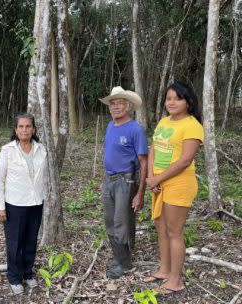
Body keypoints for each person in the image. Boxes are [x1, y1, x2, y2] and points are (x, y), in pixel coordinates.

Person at [144, 81, 204, 296]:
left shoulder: (192, 125)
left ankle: (176, 280)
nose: (171, 102)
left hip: (179, 183)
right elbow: (153, 149)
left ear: (188, 102)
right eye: (168, 98)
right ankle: (165, 270)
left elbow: (185, 161)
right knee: (161, 228)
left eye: (177, 98)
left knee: (174, 231)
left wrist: (158, 178)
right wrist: (152, 178)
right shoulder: (163, 122)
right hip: (159, 182)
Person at [0, 112, 47, 295]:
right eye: (21, 126)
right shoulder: (7, 151)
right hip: (14, 204)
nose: (25, 130)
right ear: (16, 130)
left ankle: (27, 273)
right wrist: (0, 206)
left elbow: (44, 178)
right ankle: (14, 277)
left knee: (31, 241)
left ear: (34, 129)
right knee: (15, 243)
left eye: (28, 126)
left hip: (35, 203)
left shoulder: (41, 149)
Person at [99, 86, 148, 279]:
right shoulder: (110, 126)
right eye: (113, 103)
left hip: (126, 181)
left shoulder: (135, 129)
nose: (116, 107)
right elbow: (110, 154)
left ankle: (125, 263)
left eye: (120, 103)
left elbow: (144, 162)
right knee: (110, 221)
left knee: (122, 222)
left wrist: (140, 193)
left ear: (128, 106)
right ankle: (119, 256)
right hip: (109, 180)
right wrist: (104, 179)